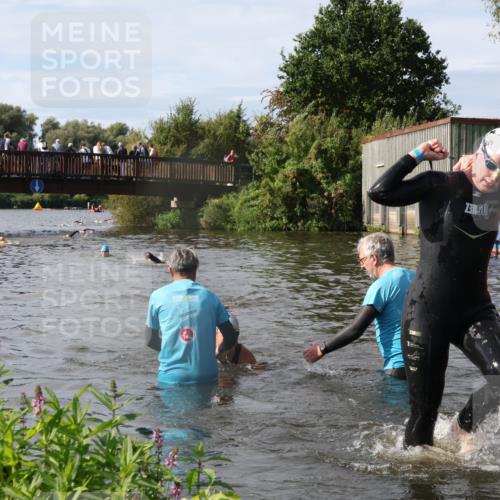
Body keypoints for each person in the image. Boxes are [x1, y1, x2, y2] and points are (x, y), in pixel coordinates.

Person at [368, 130, 500, 449]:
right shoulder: (442, 185)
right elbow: (380, 192)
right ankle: (418, 478)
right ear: (478, 155)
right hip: (426, 312)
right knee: (424, 414)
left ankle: (462, 427)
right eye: (493, 166)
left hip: (475, 310)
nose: (496, 178)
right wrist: (417, 155)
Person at [303, 233, 414, 379]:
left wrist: (321, 349)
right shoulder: (415, 276)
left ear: (374, 258)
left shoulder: (381, 286)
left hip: (398, 368)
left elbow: (356, 329)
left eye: (362, 260)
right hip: (424, 364)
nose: (361, 266)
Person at [145, 247, 238, 385]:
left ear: (170, 270)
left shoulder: (157, 296)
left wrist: (172, 349)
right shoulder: (210, 297)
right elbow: (230, 337)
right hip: (207, 377)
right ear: (195, 270)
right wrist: (218, 351)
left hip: (171, 378)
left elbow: (150, 340)